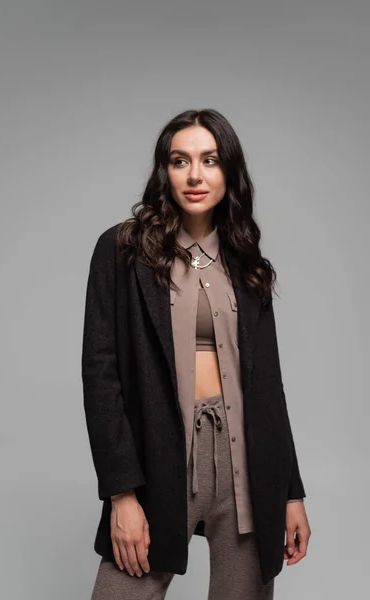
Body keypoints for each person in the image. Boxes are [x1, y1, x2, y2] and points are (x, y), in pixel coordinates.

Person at [81, 108, 311, 600]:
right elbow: (101, 376)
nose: (195, 175)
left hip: (244, 462)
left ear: (229, 170)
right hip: (161, 457)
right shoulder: (123, 251)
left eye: (209, 160)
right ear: (164, 171)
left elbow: (269, 386)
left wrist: (291, 491)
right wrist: (122, 493)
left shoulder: (246, 261)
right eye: (179, 160)